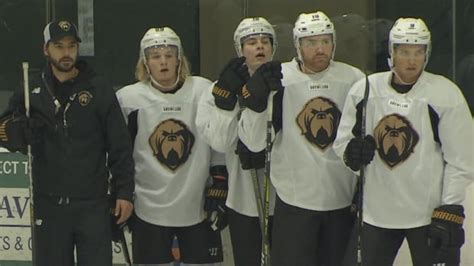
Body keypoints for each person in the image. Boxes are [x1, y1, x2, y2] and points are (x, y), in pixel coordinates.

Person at [333, 17, 474, 266]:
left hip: (427, 214)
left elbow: (462, 158)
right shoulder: (365, 90)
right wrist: (350, 154)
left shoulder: (445, 94)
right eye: (405, 52)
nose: (411, 60)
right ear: (392, 52)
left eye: (418, 52)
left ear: (426, 54)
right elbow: (343, 142)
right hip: (376, 213)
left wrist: (450, 206)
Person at [0, 20, 135, 265]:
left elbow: (120, 146)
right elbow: (3, 128)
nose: (66, 53)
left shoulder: (98, 88)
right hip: (48, 205)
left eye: (71, 46)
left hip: (93, 205)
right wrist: (15, 131)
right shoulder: (31, 88)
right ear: (46, 49)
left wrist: (124, 192)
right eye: (59, 46)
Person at [237, 11, 365, 265]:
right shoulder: (278, 78)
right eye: (311, 42)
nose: (320, 49)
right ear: (298, 45)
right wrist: (256, 103)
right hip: (294, 203)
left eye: (325, 41)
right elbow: (252, 142)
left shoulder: (354, 80)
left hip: (340, 201)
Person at [116, 27, 224, 265]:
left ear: (179, 59)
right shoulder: (128, 99)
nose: (163, 62)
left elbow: (217, 138)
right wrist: (120, 193)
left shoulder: (203, 90)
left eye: (168, 55)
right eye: (155, 56)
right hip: (148, 208)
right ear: (145, 62)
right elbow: (119, 153)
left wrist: (219, 179)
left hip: (197, 206)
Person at [196, 17, 277, 266]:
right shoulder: (221, 87)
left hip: (285, 197)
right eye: (251, 42)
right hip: (242, 196)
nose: (260, 47)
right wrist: (226, 103)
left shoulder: (285, 81)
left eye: (265, 41)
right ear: (240, 49)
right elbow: (220, 141)